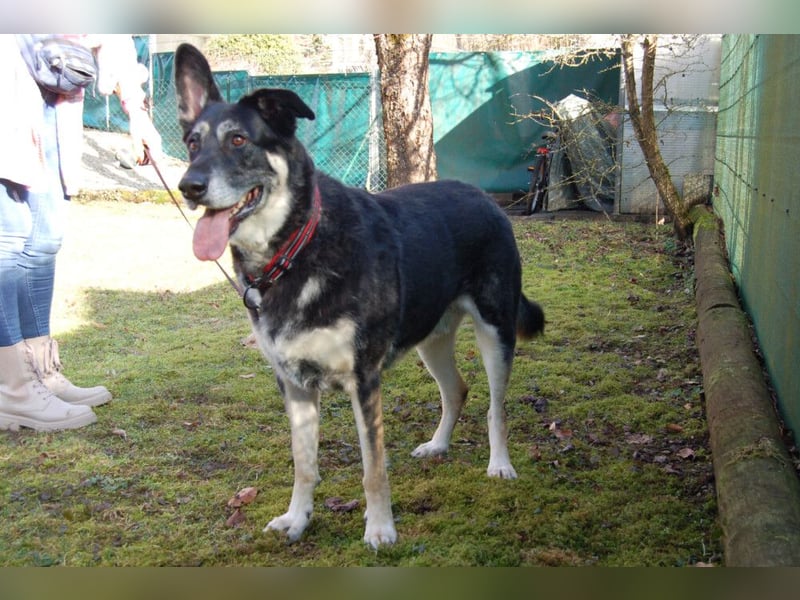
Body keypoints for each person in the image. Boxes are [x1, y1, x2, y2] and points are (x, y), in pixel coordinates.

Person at [0, 34, 163, 431]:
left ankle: (41, 373)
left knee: (44, 240)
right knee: (8, 241)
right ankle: (13, 388)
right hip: (9, 94)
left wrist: (137, 113)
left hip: (57, 102)